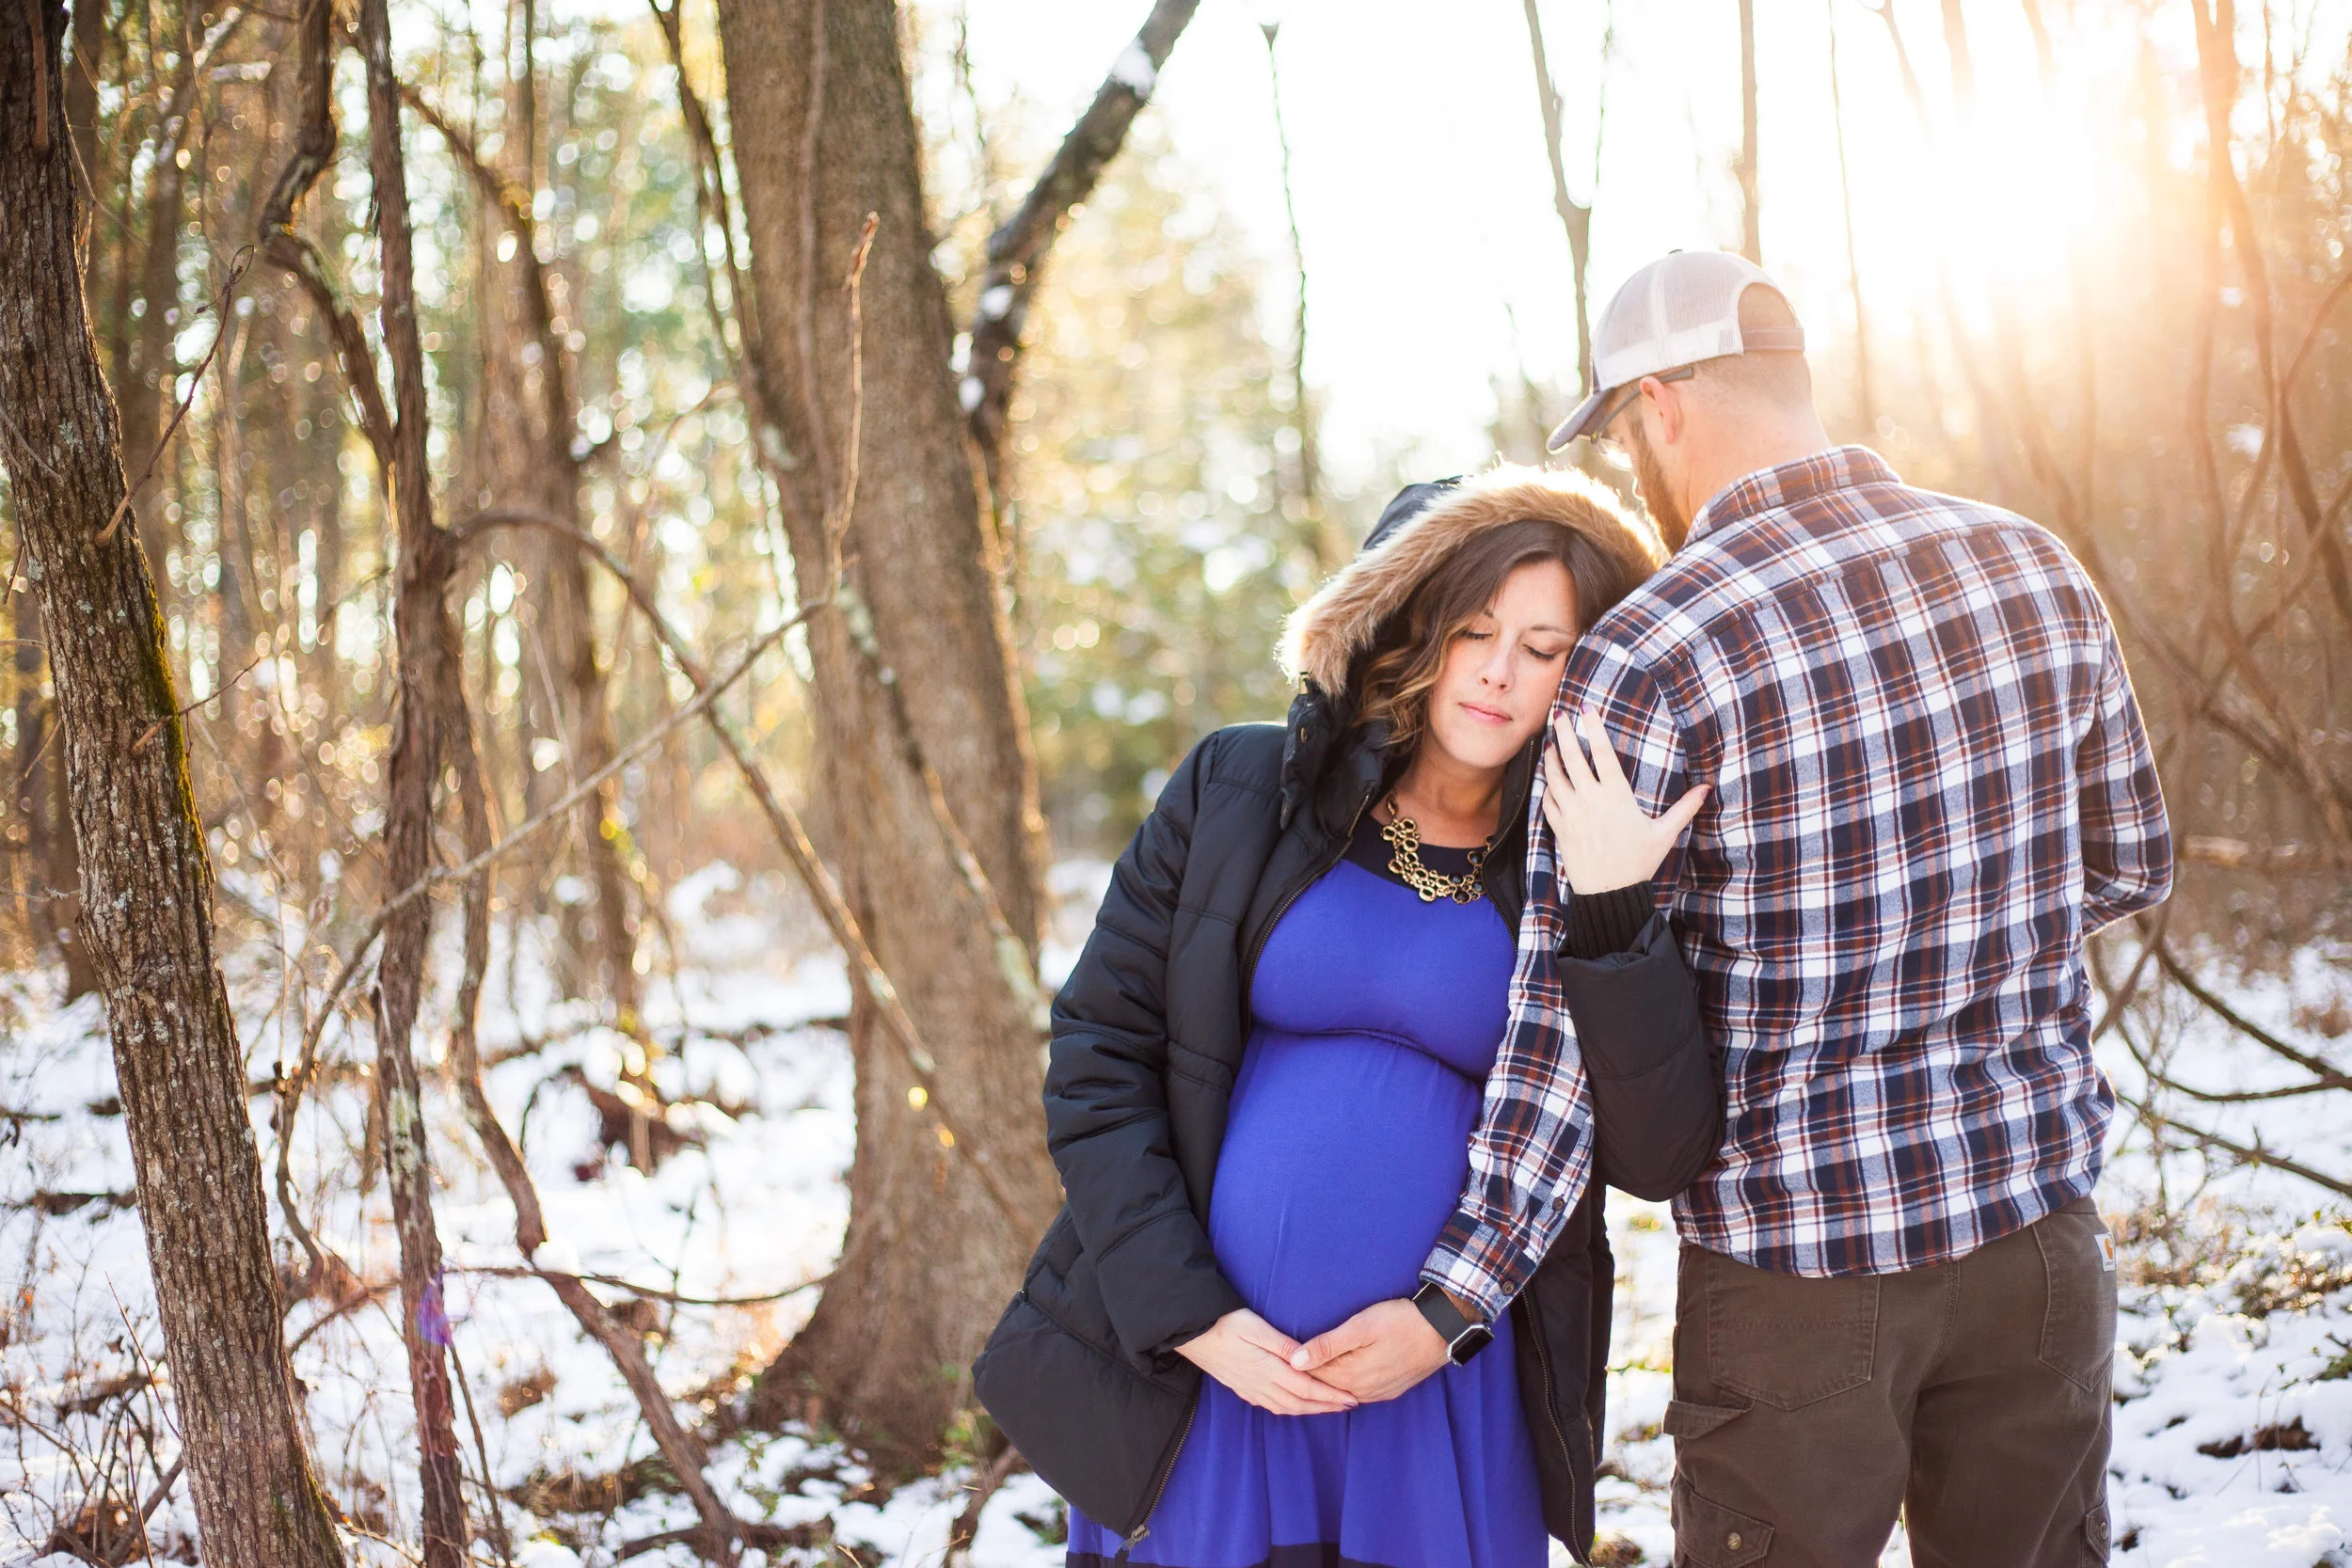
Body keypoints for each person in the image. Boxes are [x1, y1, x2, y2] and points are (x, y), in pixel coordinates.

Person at [1345, 250, 2169, 1568]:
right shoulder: (2033, 568)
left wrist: (1456, 1297)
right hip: (2039, 1240)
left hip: (1802, 1272)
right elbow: (2131, 861)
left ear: (1659, 407)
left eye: (1625, 432)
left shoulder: (1651, 656)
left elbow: (1558, 1027)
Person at [974, 467, 1724, 1567]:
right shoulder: (1237, 790)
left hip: (1432, 1387)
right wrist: (1192, 1315)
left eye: (1543, 644)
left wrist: (1616, 909)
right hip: (1209, 1373)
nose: (1499, 672)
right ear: (1407, 626)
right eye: (1473, 629)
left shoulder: (1575, 860)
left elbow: (1658, 1150)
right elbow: (1101, 1057)